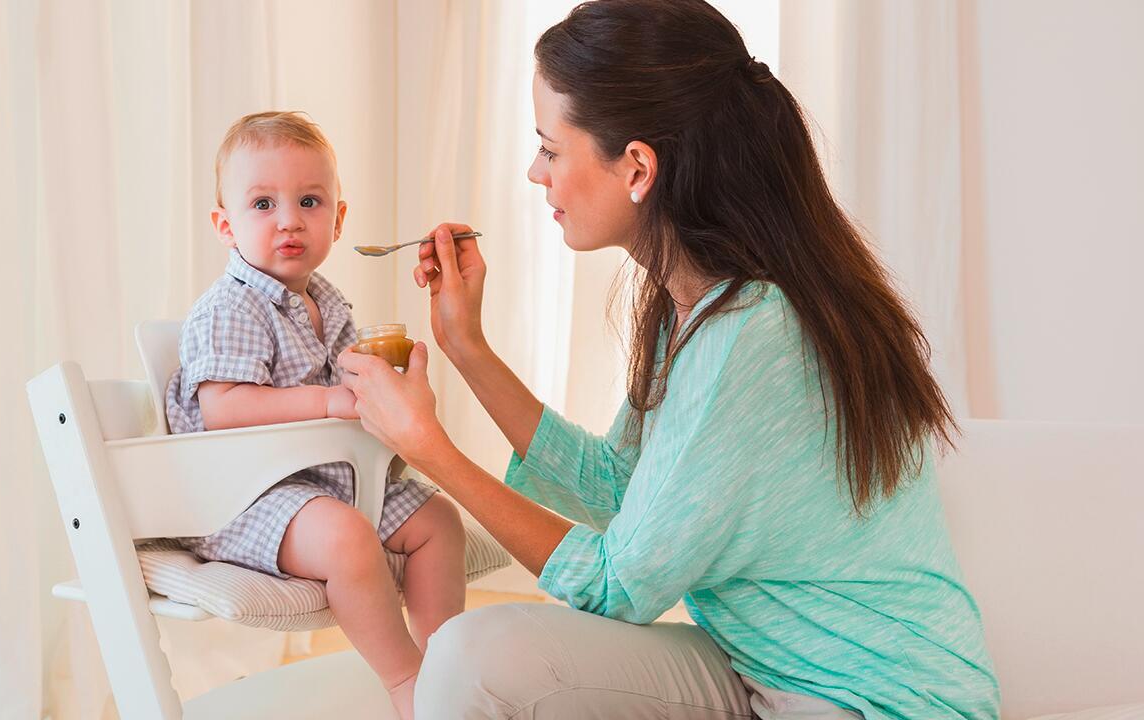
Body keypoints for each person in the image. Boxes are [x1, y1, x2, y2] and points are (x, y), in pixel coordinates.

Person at [337, 1, 1000, 718]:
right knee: (475, 655)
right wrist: (468, 349)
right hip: (763, 670)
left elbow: (618, 584)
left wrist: (431, 452)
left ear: (638, 168)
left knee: (478, 655)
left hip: (875, 704)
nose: (535, 173)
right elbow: (622, 488)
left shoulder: (751, 335)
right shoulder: (697, 310)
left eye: (551, 149)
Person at [165, 111, 466, 719]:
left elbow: (353, 391)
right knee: (345, 536)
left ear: (339, 218)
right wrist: (330, 400)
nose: (288, 220)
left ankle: (447, 669)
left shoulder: (328, 303)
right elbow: (224, 410)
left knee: (440, 521)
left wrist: (386, 391)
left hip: (321, 482)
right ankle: (408, 684)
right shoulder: (231, 306)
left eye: (308, 201)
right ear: (225, 225)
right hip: (240, 495)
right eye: (262, 204)